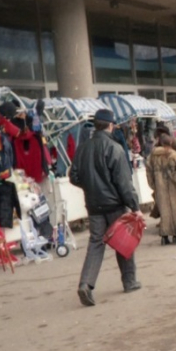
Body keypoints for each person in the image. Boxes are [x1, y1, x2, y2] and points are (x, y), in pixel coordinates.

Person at [70, 108, 143, 307]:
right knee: (123, 241)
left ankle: (86, 284)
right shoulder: (114, 148)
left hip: (93, 205)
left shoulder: (83, 148)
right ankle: (129, 281)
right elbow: (124, 183)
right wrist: (135, 206)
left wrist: (90, 186)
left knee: (95, 244)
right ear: (111, 125)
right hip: (114, 204)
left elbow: (74, 176)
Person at [146, 131, 176, 245]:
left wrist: (154, 185)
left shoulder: (152, 156)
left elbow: (149, 172)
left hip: (160, 188)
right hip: (174, 188)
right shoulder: (174, 155)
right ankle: (175, 235)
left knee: (164, 212)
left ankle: (164, 236)